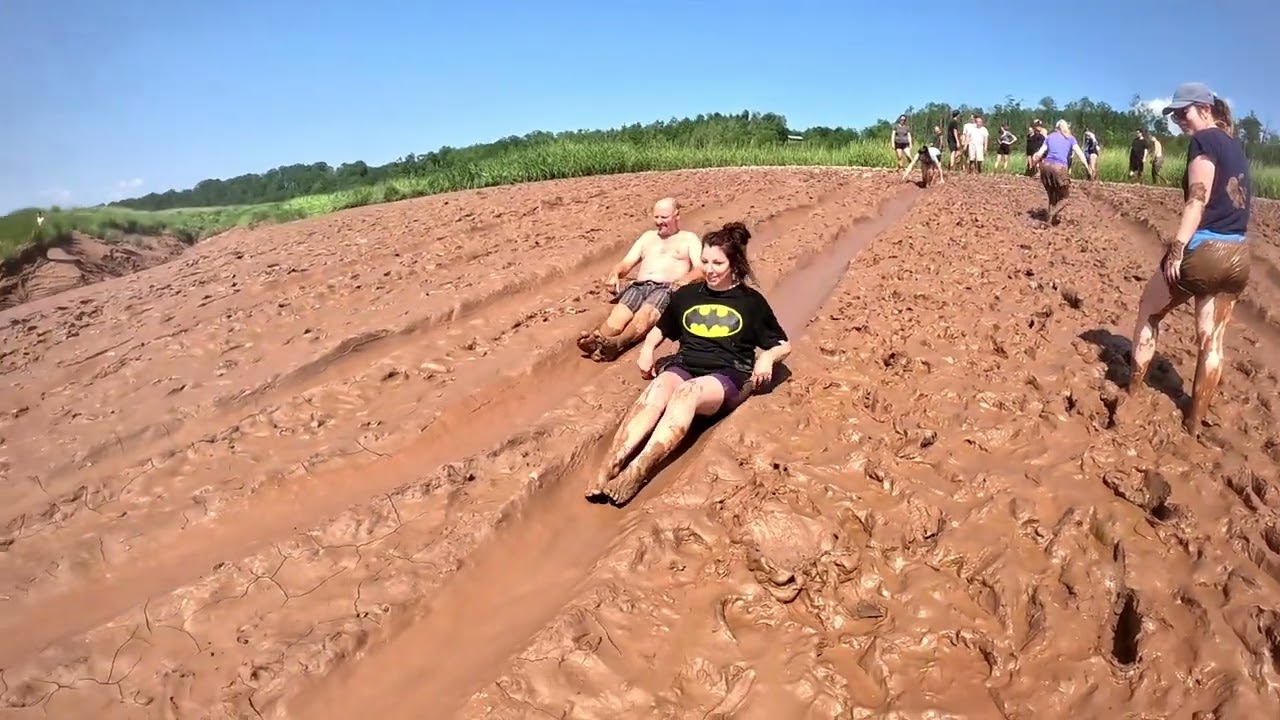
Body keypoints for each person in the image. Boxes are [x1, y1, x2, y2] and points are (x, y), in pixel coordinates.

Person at [585, 221, 791, 505]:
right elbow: (662, 328)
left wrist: (767, 358)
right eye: (705, 261)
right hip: (685, 364)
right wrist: (647, 349)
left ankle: (638, 469)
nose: (709, 269)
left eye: (718, 262)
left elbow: (782, 343)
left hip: (727, 375)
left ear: (734, 264)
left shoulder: (751, 302)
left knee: (686, 393)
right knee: (658, 389)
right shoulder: (687, 295)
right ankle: (611, 463)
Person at [1127, 82, 1252, 435]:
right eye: (1175, 114)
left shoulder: (1204, 142)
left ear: (1205, 109)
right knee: (1211, 341)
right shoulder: (1234, 146)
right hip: (1238, 256)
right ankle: (1194, 421)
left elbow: (1198, 198)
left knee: (1148, 312)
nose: (1179, 119)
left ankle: (1133, 393)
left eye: (1184, 112)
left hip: (1205, 251)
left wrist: (1178, 247)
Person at [577, 197, 703, 361]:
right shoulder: (647, 237)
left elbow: (701, 269)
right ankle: (598, 340)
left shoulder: (689, 238)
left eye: (664, 217)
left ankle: (616, 344)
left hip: (667, 288)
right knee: (619, 314)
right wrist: (615, 273)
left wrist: (686, 279)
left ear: (676, 215)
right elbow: (626, 263)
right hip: (639, 286)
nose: (659, 221)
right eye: (656, 217)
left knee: (646, 314)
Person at [1030, 119, 1094, 225]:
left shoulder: (1050, 136)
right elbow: (1080, 154)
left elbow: (1039, 153)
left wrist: (1034, 162)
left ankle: (1050, 220)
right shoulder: (1070, 138)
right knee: (1064, 198)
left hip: (1045, 167)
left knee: (1052, 196)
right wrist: (1088, 167)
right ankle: (1051, 215)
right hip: (1059, 167)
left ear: (1057, 128)